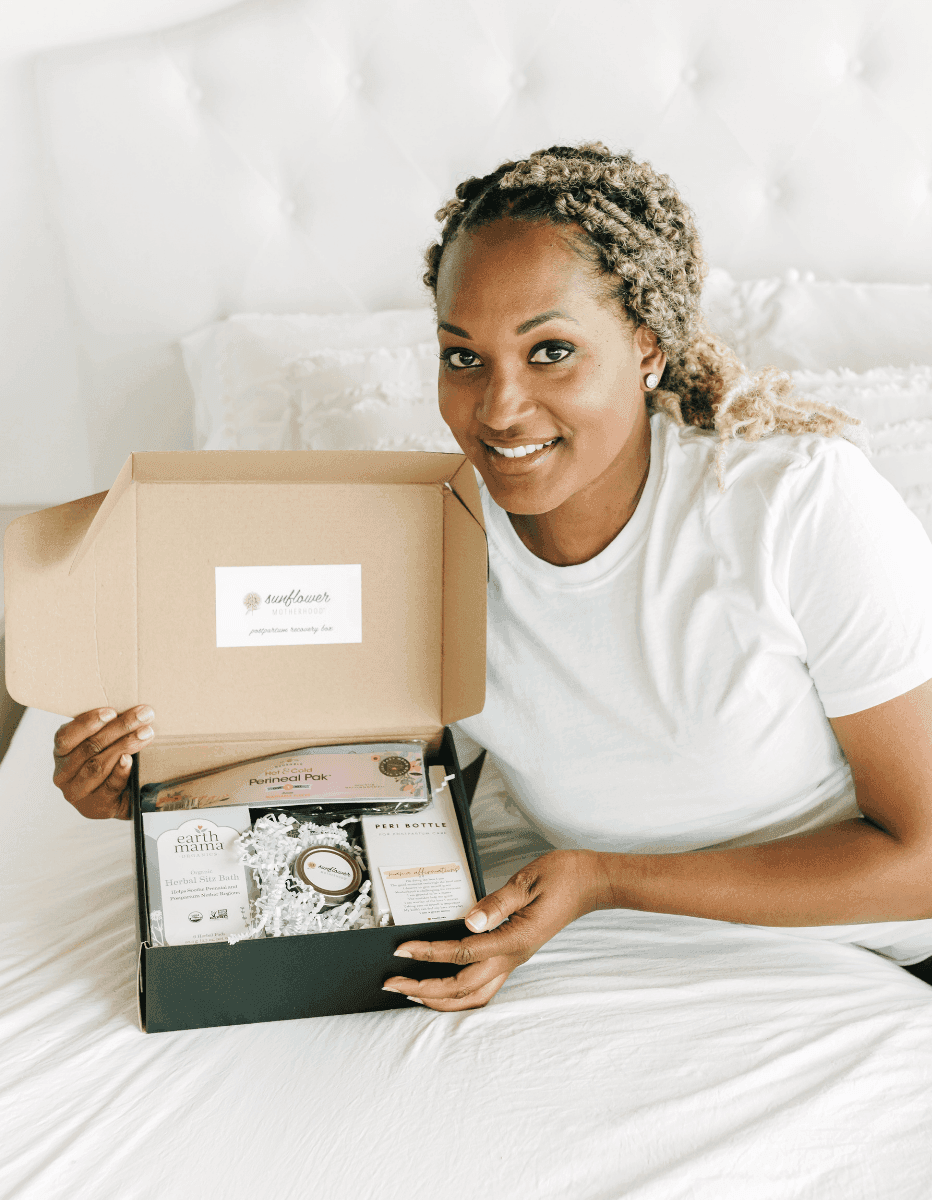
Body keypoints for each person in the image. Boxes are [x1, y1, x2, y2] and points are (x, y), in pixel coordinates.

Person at [52, 142, 932, 1010]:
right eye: (462, 356)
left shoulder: (794, 502)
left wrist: (604, 881)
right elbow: (362, 774)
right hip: (612, 961)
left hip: (868, 952)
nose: (498, 409)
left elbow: (922, 859)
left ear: (648, 346)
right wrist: (152, 787)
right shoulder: (430, 541)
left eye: (550, 350)